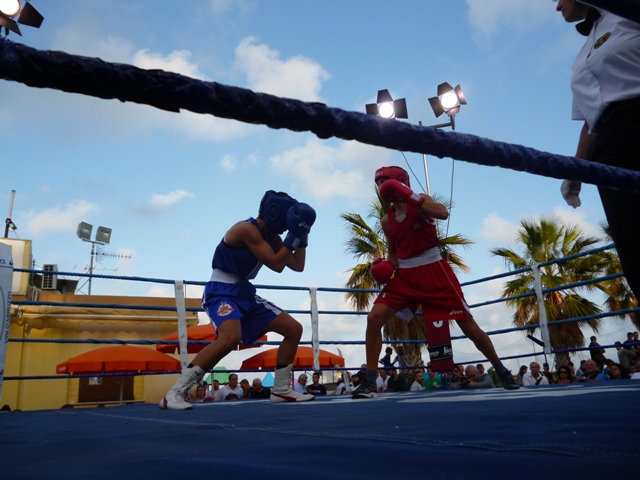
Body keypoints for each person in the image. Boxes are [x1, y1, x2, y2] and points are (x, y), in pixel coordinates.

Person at [352, 166, 519, 399]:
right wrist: (383, 268)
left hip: (434, 271)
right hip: (405, 276)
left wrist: (411, 197)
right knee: (374, 319)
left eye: (384, 182)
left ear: (399, 181)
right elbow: (393, 253)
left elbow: (442, 213)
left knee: (469, 327)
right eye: (378, 183)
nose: (382, 187)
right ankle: (369, 383)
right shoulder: (386, 220)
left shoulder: (421, 202)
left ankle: (502, 372)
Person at [159, 190, 317, 410]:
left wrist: (303, 233)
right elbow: (276, 263)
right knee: (230, 337)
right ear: (276, 212)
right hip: (221, 290)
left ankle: (281, 390)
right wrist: (294, 235)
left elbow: (297, 265)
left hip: (244, 292)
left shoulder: (272, 237)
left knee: (293, 329)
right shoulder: (246, 229)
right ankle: (175, 393)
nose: (286, 225)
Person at [556, 0, 640, 302]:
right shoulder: (580, 58)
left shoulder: (628, 15)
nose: (557, 7)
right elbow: (590, 122)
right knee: (633, 246)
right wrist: (574, 171)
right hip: (609, 149)